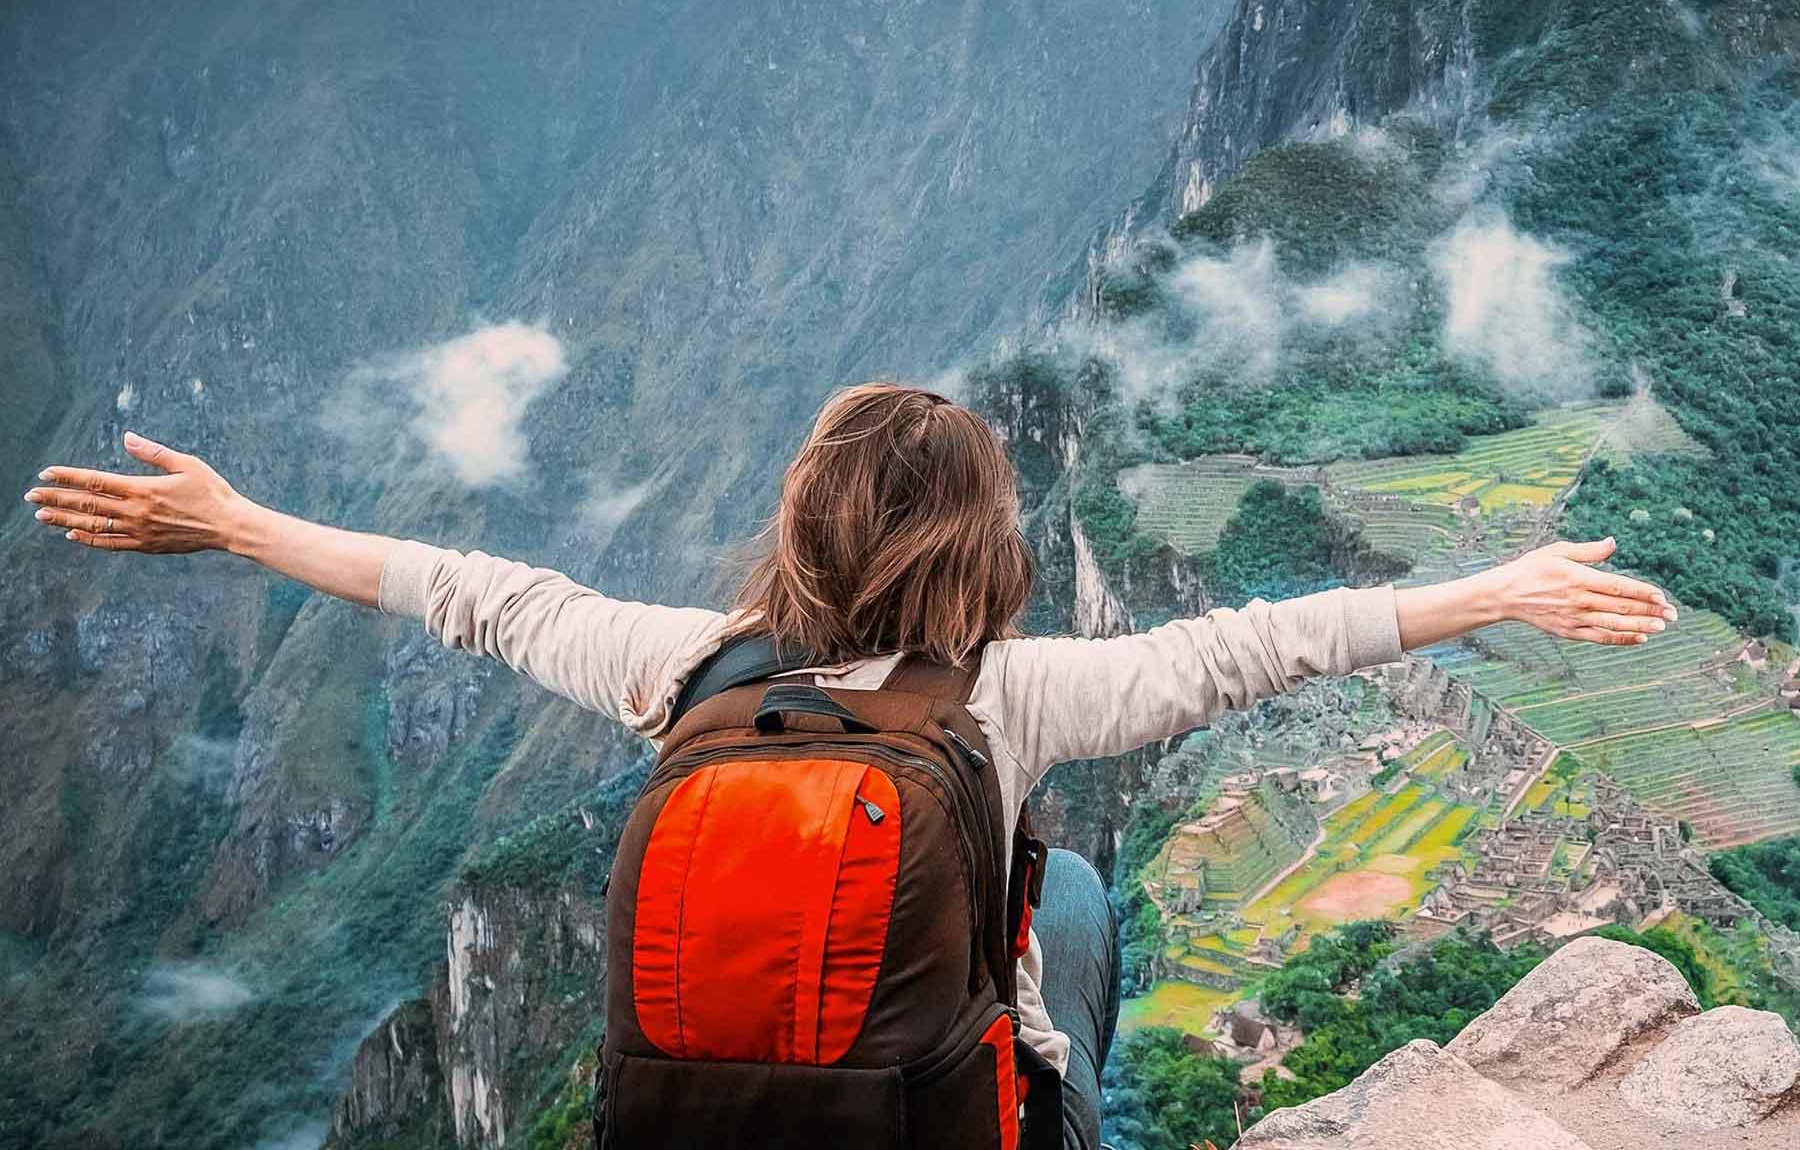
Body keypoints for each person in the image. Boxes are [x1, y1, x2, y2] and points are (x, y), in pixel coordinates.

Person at [25, 383, 1677, 1149]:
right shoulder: (1009, 705)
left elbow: (465, 591)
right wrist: (1495, 591)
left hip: (696, 1128)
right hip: (937, 1130)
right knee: (1076, 898)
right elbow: (1264, 646)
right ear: (985, 552)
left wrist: (235, 523)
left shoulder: (685, 671)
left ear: (799, 530)